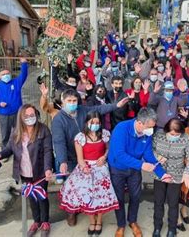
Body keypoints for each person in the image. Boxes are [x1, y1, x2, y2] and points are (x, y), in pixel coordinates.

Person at [51, 88, 129, 227]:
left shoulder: (83, 110)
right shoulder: (58, 119)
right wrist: (62, 160)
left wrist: (115, 106)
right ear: (62, 102)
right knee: (74, 187)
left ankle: (91, 209)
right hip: (71, 156)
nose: (72, 103)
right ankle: (72, 212)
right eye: (69, 101)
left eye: (74, 101)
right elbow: (58, 141)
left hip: (91, 155)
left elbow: (99, 108)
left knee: (91, 187)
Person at [107, 108, 172, 237]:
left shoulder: (146, 133)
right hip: (118, 168)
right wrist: (141, 165)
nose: (151, 131)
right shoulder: (121, 128)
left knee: (135, 196)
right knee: (119, 198)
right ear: (140, 123)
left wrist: (162, 173)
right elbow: (120, 154)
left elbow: (148, 154)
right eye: (149, 127)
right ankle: (121, 225)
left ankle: (132, 221)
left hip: (134, 169)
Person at [0, 104, 53, 237]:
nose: (30, 118)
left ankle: (45, 222)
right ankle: (36, 221)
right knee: (31, 197)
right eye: (27, 116)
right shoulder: (16, 131)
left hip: (40, 171)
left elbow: (48, 151)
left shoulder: (43, 130)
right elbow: (9, 148)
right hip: (24, 172)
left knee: (42, 197)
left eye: (33, 115)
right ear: (21, 117)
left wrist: (48, 168)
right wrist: (0, 155)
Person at [59, 111, 119, 236]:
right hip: (85, 168)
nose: (95, 124)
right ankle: (92, 221)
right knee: (88, 196)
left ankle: (99, 221)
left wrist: (104, 157)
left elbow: (109, 148)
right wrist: (84, 168)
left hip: (101, 168)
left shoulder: (105, 134)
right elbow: (80, 158)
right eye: (92, 122)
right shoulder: (80, 137)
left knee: (101, 195)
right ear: (87, 123)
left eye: (97, 122)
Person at [152, 118, 189, 237]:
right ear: (166, 130)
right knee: (158, 202)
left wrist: (187, 172)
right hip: (159, 173)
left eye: (177, 134)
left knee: (173, 203)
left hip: (176, 174)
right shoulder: (158, 135)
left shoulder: (185, 138)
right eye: (172, 134)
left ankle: (172, 228)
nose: (175, 136)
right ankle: (157, 227)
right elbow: (151, 150)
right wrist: (157, 157)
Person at [0, 57, 28, 149]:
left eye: (7, 73)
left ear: (10, 74)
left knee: (19, 131)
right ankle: (5, 151)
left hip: (17, 113)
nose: (6, 75)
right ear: (0, 76)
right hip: (4, 114)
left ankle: (19, 148)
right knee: (5, 134)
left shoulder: (16, 82)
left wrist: (24, 64)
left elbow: (24, 75)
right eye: (3, 74)